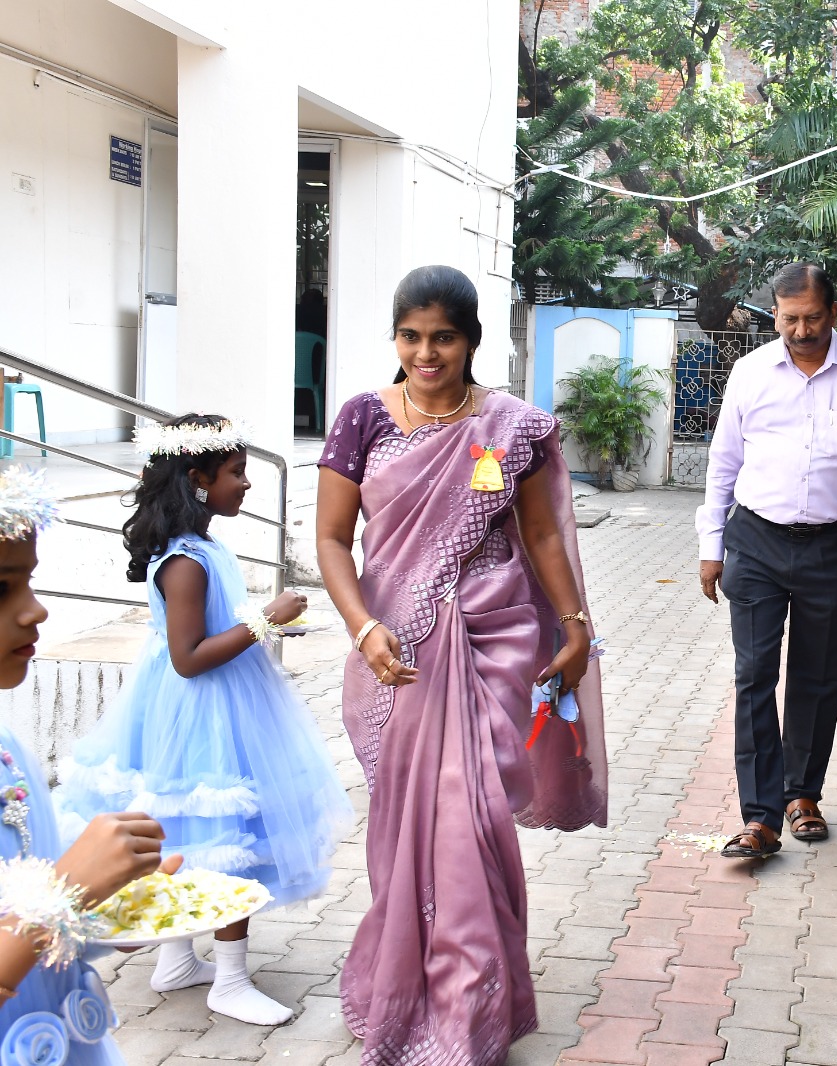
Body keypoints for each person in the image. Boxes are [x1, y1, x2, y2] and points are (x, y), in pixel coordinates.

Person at [316, 264, 606, 1065]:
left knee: (471, 820)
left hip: (494, 638)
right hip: (396, 649)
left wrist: (575, 625)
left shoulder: (510, 427)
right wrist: (363, 627)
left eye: (443, 337)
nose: (426, 354)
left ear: (473, 340)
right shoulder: (363, 419)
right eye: (410, 337)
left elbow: (541, 535)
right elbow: (332, 540)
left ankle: (468, 1008)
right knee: (412, 824)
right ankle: (410, 990)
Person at [58, 415, 353, 1026]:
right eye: (236, 473)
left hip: (215, 698)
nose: (246, 483)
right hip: (202, 708)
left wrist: (258, 622)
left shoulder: (205, 547)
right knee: (223, 835)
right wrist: (267, 619)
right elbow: (189, 659)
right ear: (198, 479)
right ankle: (230, 980)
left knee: (189, 830)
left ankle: (176, 961)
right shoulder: (185, 562)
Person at [696, 263, 837, 859]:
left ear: (834, 312)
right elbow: (723, 463)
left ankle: (802, 794)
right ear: (776, 316)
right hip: (755, 542)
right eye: (790, 320)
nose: (802, 331)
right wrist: (711, 547)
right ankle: (760, 817)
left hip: (833, 546)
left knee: (819, 676)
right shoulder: (750, 373)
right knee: (754, 675)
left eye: (813, 318)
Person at [0, 467, 180, 1064]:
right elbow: (42, 908)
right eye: (1, 588)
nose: (36, 611)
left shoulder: (9, 750)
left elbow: (36, 919)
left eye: (28, 582)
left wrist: (109, 904)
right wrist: (65, 893)